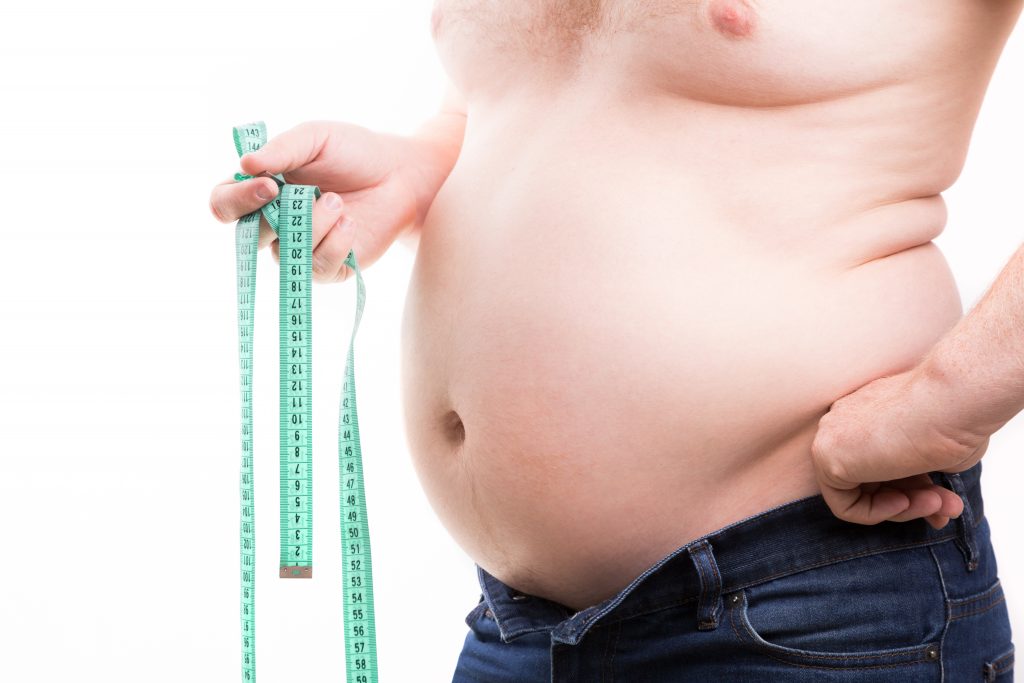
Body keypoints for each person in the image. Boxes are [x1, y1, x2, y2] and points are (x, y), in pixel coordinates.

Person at [209, 1, 1023, 679]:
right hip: (516, 627)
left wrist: (946, 398)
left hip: (806, 604)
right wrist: (415, 167)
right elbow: (549, 91)